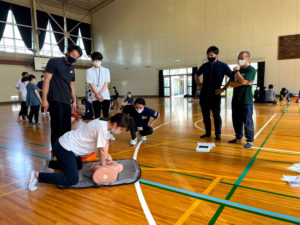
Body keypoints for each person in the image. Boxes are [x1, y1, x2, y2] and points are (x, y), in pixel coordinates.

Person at [28, 113, 130, 191]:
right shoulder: (102, 128)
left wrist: (108, 159)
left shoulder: (104, 124)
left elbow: (105, 146)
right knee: (72, 179)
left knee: (78, 166)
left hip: (67, 146)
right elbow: (102, 150)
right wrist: (104, 167)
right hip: (64, 148)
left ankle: (51, 164)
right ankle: (37, 175)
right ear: (116, 124)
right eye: (121, 129)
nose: (120, 132)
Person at [41, 45, 82, 165]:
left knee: (66, 130)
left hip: (66, 102)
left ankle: (64, 152)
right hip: (55, 100)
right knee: (56, 129)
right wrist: (44, 99)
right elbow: (46, 80)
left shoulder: (71, 68)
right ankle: (55, 154)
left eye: (77, 57)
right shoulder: (54, 62)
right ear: (68, 52)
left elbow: (72, 85)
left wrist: (74, 101)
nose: (75, 58)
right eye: (73, 55)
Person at [194, 46, 232, 140]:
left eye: (211, 55)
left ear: (217, 55)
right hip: (204, 95)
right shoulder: (205, 66)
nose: (209, 56)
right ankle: (207, 133)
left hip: (215, 95)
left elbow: (232, 77)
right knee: (205, 116)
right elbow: (196, 75)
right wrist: (199, 85)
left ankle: (218, 134)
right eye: (208, 55)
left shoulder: (223, 66)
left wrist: (223, 89)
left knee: (216, 116)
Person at [229, 51, 256, 148]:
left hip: (246, 100)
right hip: (236, 99)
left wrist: (237, 72)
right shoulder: (235, 71)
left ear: (248, 59)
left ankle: (249, 140)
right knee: (236, 120)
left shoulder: (251, 70)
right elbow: (231, 84)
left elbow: (244, 80)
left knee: (247, 120)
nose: (239, 60)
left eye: (242, 58)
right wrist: (243, 82)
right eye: (239, 58)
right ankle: (238, 137)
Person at [86, 52, 111, 119]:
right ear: (92, 60)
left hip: (105, 95)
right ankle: (97, 129)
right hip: (95, 96)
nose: (97, 61)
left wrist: (100, 94)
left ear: (101, 60)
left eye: (99, 60)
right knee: (97, 115)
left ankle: (106, 129)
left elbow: (106, 83)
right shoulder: (89, 71)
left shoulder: (106, 70)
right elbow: (91, 84)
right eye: (95, 60)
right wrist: (97, 94)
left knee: (106, 115)